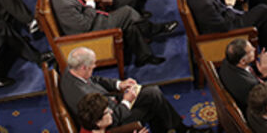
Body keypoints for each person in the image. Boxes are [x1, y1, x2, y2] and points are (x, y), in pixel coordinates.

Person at [58, 47, 195, 133]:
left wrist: (119, 84)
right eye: (92, 66)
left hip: (109, 105)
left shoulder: (71, 71)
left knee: (153, 92)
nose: (94, 67)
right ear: (84, 68)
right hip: (113, 120)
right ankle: (181, 129)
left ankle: (178, 128)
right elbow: (111, 119)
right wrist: (126, 102)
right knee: (154, 104)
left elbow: (95, 80)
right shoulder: (83, 96)